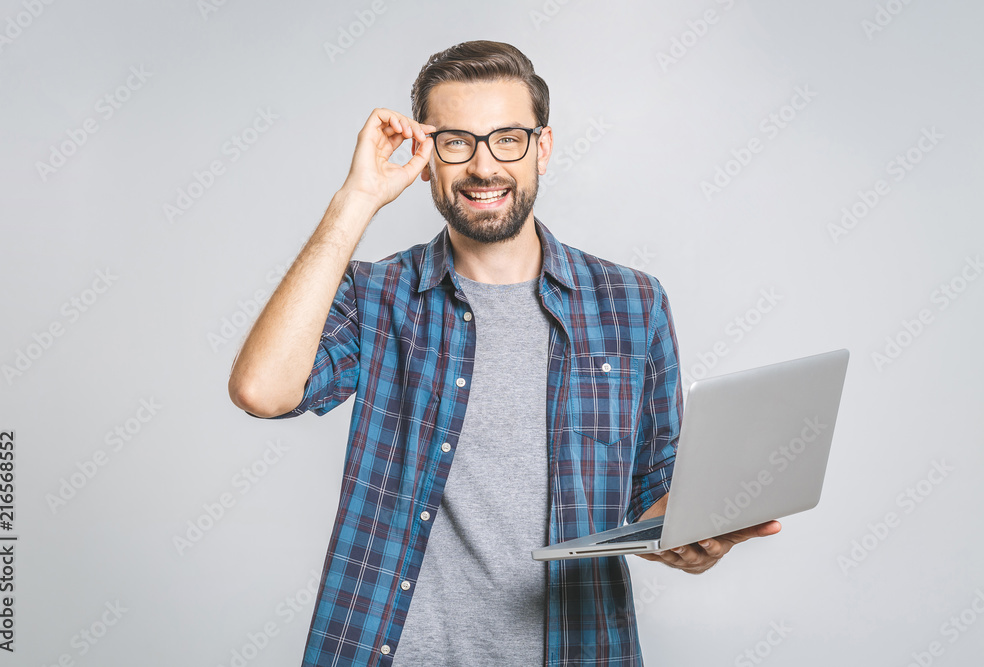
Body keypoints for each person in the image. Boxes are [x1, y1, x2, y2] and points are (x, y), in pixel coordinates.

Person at [228, 40, 779, 667]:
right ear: (427, 157)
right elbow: (262, 390)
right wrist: (356, 199)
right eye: (456, 141)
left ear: (541, 148)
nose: (483, 166)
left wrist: (690, 534)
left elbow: (653, 493)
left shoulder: (632, 303)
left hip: (577, 649)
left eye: (507, 139)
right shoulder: (377, 295)